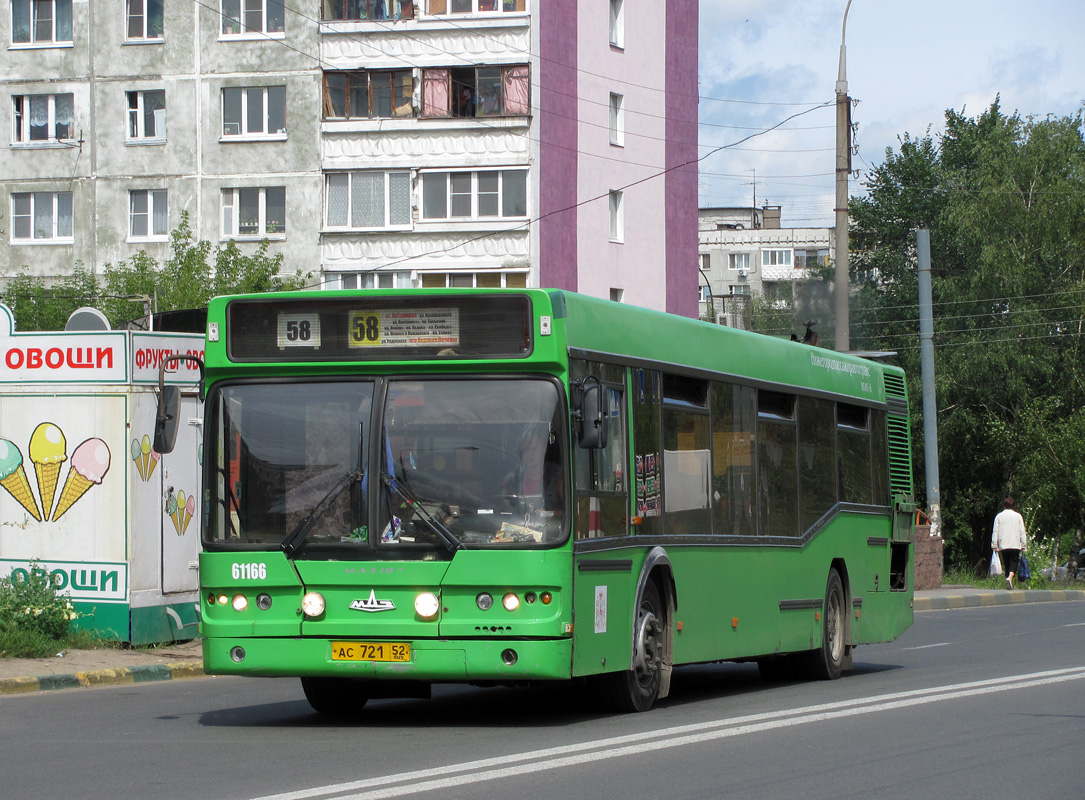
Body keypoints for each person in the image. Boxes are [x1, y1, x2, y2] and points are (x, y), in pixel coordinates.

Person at [991, 497, 1028, 589]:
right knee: (1014, 562)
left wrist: (994, 544)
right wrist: (1024, 544)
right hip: (1015, 544)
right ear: (1013, 506)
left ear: (1004, 505)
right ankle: (1010, 578)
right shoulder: (1018, 516)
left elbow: (995, 531)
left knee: (1007, 563)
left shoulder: (999, 516)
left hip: (1003, 544)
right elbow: (1022, 531)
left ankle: (1009, 581)